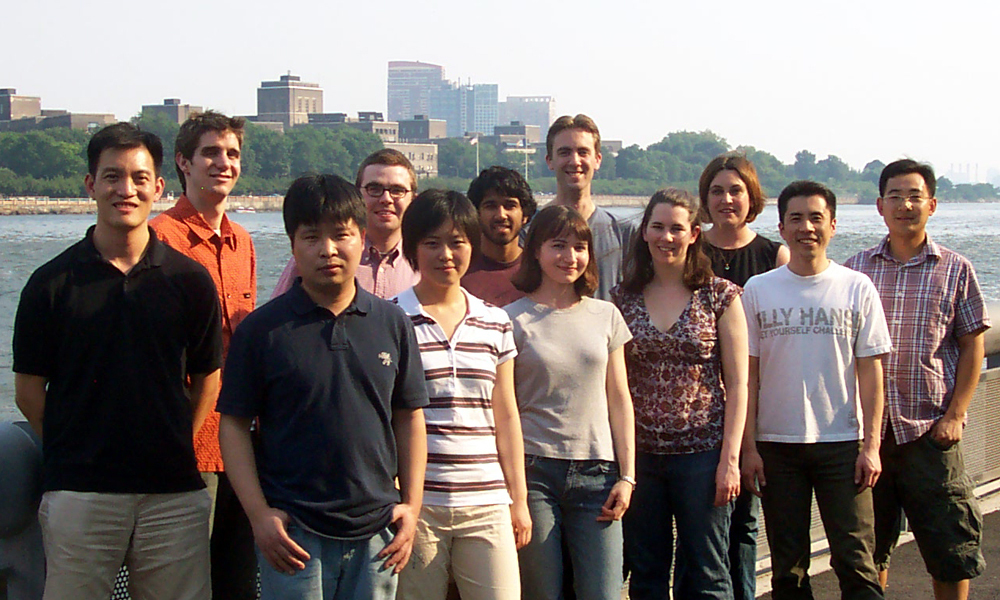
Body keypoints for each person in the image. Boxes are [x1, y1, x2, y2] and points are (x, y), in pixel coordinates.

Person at [13, 122, 223, 600]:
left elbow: (208, 379)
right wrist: (75, 446)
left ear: (159, 188)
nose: (125, 190)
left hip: (172, 491)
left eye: (139, 178)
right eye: (112, 177)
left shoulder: (189, 282)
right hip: (80, 492)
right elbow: (29, 393)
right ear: (90, 185)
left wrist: (174, 441)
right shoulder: (51, 285)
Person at [218, 174, 428, 600]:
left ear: (362, 237)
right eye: (311, 237)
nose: (328, 250)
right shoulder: (262, 330)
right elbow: (234, 426)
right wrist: (258, 515)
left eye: (341, 235)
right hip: (293, 533)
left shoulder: (392, 323)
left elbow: (409, 417)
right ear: (293, 244)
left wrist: (413, 503)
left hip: (377, 531)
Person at [844, 160, 989, 600]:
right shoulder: (855, 270)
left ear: (932, 204)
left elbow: (972, 346)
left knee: (950, 546)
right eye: (895, 197)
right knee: (870, 549)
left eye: (914, 196)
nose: (905, 205)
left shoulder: (956, 268)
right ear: (879, 205)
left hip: (929, 431)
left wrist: (956, 415)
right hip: (868, 434)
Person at [741, 180, 890, 600]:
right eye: (796, 218)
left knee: (856, 559)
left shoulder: (856, 287)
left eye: (816, 218)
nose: (807, 227)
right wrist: (748, 447)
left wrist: (872, 446)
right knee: (788, 569)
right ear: (782, 227)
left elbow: (871, 372)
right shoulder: (758, 289)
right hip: (777, 444)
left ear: (833, 225)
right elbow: (747, 376)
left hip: (842, 444)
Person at [612, 189, 748, 599]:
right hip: (643, 457)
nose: (666, 237)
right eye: (658, 227)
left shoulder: (720, 295)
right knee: (647, 573)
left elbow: (740, 383)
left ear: (693, 234)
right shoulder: (623, 297)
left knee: (708, 574)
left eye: (676, 228)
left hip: (702, 455)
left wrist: (730, 460)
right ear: (644, 232)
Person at [394, 190, 530, 600]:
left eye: (457, 242)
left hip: (487, 500)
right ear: (413, 249)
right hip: (420, 505)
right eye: (432, 243)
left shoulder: (494, 321)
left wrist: (518, 498)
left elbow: (505, 414)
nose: (446, 254)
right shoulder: (389, 318)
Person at [150, 110, 257, 599]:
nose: (223, 163)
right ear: (183, 163)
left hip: (242, 436)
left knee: (237, 572)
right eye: (211, 152)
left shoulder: (243, 243)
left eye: (232, 153)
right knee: (186, 578)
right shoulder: (159, 238)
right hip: (187, 439)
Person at [504, 205, 636, 600]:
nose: (570, 256)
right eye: (558, 245)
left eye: (580, 247)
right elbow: (505, 409)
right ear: (536, 252)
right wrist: (514, 491)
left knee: (603, 592)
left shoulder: (606, 315)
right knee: (543, 593)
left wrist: (627, 476)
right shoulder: (510, 320)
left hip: (598, 475)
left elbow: (620, 399)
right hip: (535, 473)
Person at [698, 153, 789, 600]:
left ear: (752, 197)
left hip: (752, 402)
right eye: (717, 191)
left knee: (744, 520)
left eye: (736, 191)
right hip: (697, 407)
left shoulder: (774, 255)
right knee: (703, 522)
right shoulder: (689, 249)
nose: (726, 199)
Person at [270, 148, 420, 299]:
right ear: (357, 195)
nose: (386, 199)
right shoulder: (314, 258)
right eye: (374, 189)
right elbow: (277, 314)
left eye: (397, 190)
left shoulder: (425, 262)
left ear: (413, 198)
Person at [545, 114, 636, 301]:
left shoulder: (624, 233)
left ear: (598, 160)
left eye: (583, 152)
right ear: (549, 161)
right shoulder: (530, 231)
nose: (575, 161)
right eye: (564, 152)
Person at [462, 166, 537, 306]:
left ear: (525, 214)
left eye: (510, 206)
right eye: (491, 206)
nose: (501, 215)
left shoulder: (540, 269)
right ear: (476, 213)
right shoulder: (460, 269)